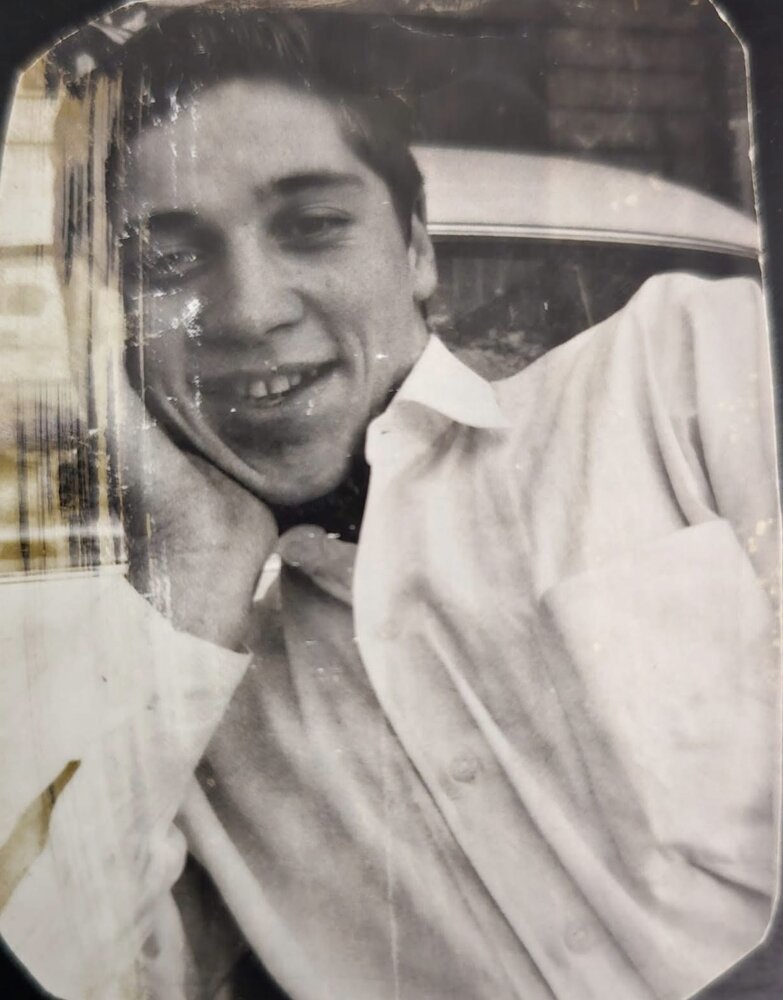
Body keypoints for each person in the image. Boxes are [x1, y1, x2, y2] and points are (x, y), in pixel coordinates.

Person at [0, 5, 779, 1000]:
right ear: (107, 326)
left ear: (415, 250)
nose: (251, 311)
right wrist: (194, 559)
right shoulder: (166, 696)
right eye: (169, 262)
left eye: (312, 227)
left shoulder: (687, 371)